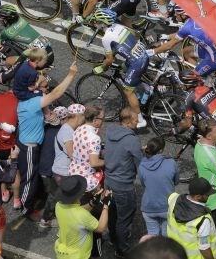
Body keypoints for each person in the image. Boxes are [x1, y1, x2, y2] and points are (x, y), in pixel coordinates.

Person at [15, 59, 78, 219]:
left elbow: (51, 116)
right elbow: (56, 94)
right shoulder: (33, 102)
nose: (47, 89)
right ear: (33, 87)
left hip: (30, 144)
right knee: (28, 180)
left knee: (32, 177)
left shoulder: (30, 98)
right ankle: (25, 209)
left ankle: (29, 201)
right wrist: (70, 75)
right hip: (29, 147)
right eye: (44, 86)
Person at [87, 10, 148, 128]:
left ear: (103, 24)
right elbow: (130, 37)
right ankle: (146, 87)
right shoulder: (118, 26)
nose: (94, 24)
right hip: (142, 54)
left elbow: (109, 60)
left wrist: (101, 68)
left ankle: (141, 120)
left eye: (96, 22)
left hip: (136, 62)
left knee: (128, 91)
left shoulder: (105, 38)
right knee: (124, 68)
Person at [105, 108, 144, 257]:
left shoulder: (110, 131)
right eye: (135, 120)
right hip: (123, 186)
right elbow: (140, 163)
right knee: (125, 217)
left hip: (108, 182)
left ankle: (112, 238)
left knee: (112, 213)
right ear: (128, 123)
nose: (138, 122)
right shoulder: (132, 140)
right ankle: (122, 249)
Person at [152, 15, 216, 77]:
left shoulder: (187, 27)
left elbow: (169, 46)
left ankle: (201, 78)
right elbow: (178, 35)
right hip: (213, 50)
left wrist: (151, 52)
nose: (174, 14)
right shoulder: (193, 20)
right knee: (186, 52)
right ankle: (201, 71)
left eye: (176, 13)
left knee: (188, 80)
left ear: (183, 15)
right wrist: (166, 36)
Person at [54, 175, 111, 259]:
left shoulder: (58, 205)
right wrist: (106, 205)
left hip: (63, 251)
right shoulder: (82, 215)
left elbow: (75, 211)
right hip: (79, 255)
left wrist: (92, 203)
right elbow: (101, 228)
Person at [49, 104, 85, 224]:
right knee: (70, 200)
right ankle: (67, 224)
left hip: (61, 170)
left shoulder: (67, 128)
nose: (84, 118)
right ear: (78, 116)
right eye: (83, 115)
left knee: (66, 199)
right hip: (63, 171)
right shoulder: (67, 132)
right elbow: (72, 154)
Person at [167, 177, 216, 259]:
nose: (209, 196)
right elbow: (204, 247)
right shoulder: (203, 220)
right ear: (198, 196)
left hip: (175, 253)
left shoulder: (174, 199)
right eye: (207, 194)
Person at [140, 136, 179, 236]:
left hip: (148, 206)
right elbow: (176, 181)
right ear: (161, 150)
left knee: (152, 234)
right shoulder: (171, 163)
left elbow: (143, 183)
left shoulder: (142, 165)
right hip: (167, 206)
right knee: (167, 234)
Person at [69, 106, 105, 192]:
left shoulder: (79, 129)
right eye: (102, 118)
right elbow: (94, 163)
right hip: (87, 177)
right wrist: (109, 161)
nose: (103, 121)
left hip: (74, 172)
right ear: (94, 120)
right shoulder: (94, 138)